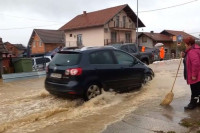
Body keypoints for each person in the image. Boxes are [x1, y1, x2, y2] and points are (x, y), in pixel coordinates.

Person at [183, 37, 200, 110]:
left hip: (196, 75)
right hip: (198, 74)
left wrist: (194, 75)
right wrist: (184, 56)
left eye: (185, 44)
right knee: (198, 89)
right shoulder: (194, 49)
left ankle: (192, 104)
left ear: (189, 44)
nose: (185, 45)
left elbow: (195, 64)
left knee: (194, 90)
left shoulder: (192, 51)